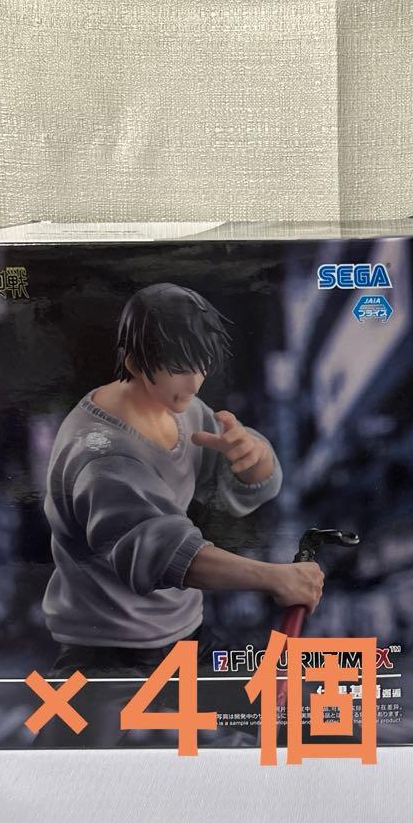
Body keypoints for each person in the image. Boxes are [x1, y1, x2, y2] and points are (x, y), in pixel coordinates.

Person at [39, 283, 321, 742]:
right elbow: (166, 555)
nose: (193, 382)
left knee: (282, 731)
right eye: (178, 368)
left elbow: (236, 487)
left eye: (200, 365)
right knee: (71, 770)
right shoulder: (102, 454)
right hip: (107, 651)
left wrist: (254, 458)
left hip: (184, 636)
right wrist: (273, 577)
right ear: (134, 361)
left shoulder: (182, 410)